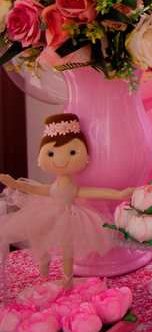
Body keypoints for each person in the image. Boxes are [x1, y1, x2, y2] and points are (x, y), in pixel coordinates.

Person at [0, 113, 134, 287]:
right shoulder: (52, 187)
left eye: (72, 152)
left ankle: (67, 279)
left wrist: (119, 194)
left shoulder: (73, 187)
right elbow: (37, 189)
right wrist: (16, 184)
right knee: (33, 232)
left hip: (71, 217)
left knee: (67, 249)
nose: (61, 160)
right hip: (50, 212)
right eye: (51, 153)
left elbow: (93, 192)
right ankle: (43, 257)